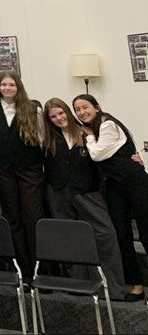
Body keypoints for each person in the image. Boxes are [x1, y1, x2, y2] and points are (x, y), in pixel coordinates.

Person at [41, 98, 125, 300]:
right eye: (53, 116)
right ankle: (79, 285)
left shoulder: (88, 133)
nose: (58, 118)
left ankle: (114, 288)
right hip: (59, 194)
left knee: (106, 234)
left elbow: (112, 152)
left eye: (61, 113)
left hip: (88, 193)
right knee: (69, 239)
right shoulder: (49, 140)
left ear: (68, 112)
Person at [76, 94, 148, 300]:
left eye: (85, 107)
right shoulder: (89, 130)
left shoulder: (107, 124)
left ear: (96, 107)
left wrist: (89, 136)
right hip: (114, 188)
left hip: (135, 183)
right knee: (122, 236)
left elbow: (97, 154)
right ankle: (136, 286)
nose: (82, 112)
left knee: (146, 234)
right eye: (78, 109)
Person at [0, 72, 45, 281]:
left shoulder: (33, 109)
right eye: (4, 84)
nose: (7, 88)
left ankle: (39, 270)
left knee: (33, 217)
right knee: (12, 218)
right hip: (3, 171)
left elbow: (43, 140)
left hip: (30, 170)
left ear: (18, 87)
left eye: (11, 84)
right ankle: (24, 271)